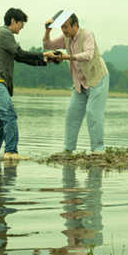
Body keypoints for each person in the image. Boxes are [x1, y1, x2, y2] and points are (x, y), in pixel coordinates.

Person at [0, 7, 54, 160]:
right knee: (9, 116)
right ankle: (11, 152)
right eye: (21, 24)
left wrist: (44, 60)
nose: (22, 27)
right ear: (13, 21)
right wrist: (43, 54)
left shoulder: (4, 35)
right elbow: (20, 53)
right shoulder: (4, 33)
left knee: (2, 121)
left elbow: (19, 58)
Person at [43, 11, 109, 155]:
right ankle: (68, 149)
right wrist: (48, 31)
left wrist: (66, 57)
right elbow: (48, 45)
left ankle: (98, 150)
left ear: (75, 25)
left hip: (97, 78)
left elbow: (88, 55)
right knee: (72, 114)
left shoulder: (87, 35)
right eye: (62, 27)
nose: (64, 30)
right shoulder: (66, 37)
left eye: (66, 27)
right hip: (79, 82)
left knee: (93, 113)